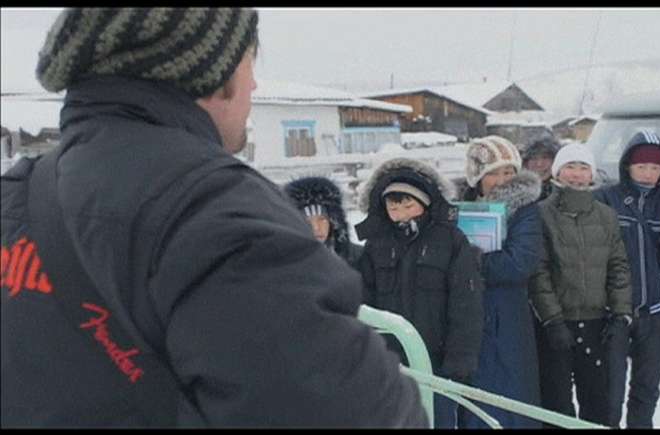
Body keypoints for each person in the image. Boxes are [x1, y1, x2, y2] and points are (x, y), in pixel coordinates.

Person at [1, 8, 427, 428]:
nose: (255, 83)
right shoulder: (218, 213)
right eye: (248, 62)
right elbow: (351, 411)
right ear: (213, 71)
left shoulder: (16, 197)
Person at [355, 157, 484, 429]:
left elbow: (466, 302)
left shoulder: (450, 240)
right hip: (390, 364)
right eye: (394, 205)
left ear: (425, 203)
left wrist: (460, 357)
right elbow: (363, 303)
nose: (401, 212)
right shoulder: (375, 246)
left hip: (437, 361)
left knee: (440, 421)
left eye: (408, 204)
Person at [528, 142, 632, 426]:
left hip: (597, 323)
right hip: (556, 325)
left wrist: (620, 314)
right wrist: (552, 320)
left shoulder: (605, 215)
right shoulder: (540, 214)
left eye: (583, 167)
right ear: (557, 173)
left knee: (597, 402)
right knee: (557, 403)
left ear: (592, 174)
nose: (576, 174)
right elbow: (539, 271)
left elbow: (618, 266)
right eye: (569, 167)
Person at [455, 136, 544, 429]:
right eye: (493, 172)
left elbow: (520, 262)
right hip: (466, 313)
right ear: (477, 177)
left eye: (509, 172)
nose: (502, 180)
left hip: (507, 316)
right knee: (474, 394)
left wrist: (472, 262)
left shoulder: (525, 210)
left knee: (512, 394)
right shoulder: (458, 210)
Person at [593, 131, 660, 428]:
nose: (648, 173)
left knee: (647, 389)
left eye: (655, 168)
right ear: (627, 165)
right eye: (642, 166)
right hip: (615, 312)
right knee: (611, 391)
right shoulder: (604, 198)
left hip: (653, 313)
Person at [283, 176, 363, 267]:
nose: (316, 227)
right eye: (308, 221)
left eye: (322, 219)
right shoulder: (284, 264)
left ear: (333, 221)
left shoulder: (360, 258)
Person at [522, 135, 562, 201]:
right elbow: (500, 210)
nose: (539, 164)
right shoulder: (513, 190)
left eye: (545, 157)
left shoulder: (567, 190)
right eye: (534, 158)